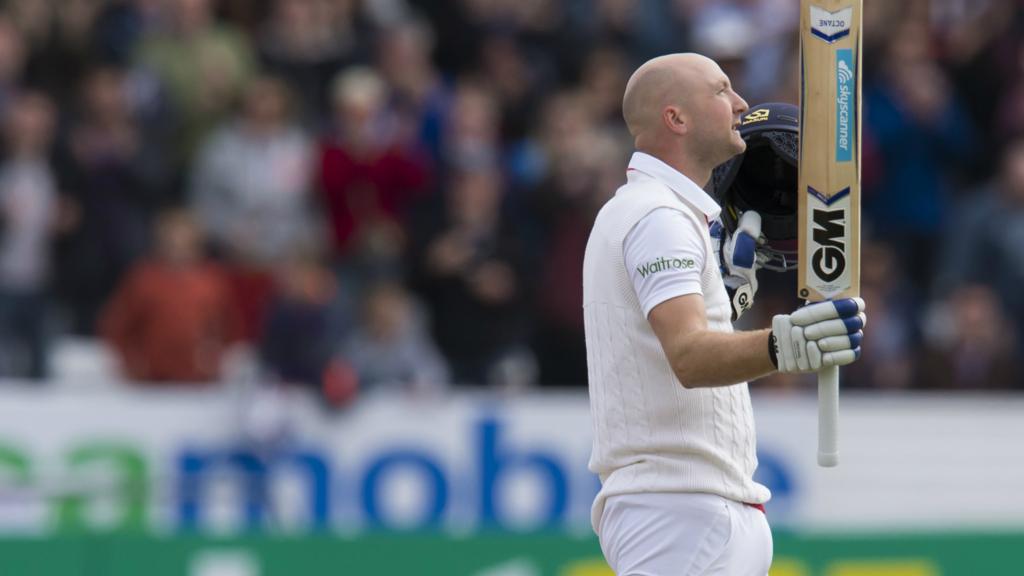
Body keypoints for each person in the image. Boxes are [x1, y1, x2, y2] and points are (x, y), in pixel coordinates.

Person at [583, 53, 867, 575]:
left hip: (691, 510)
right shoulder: (657, 216)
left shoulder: (660, 213)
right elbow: (689, 357)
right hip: (678, 510)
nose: (740, 104)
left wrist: (728, 308)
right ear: (677, 118)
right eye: (721, 91)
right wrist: (789, 342)